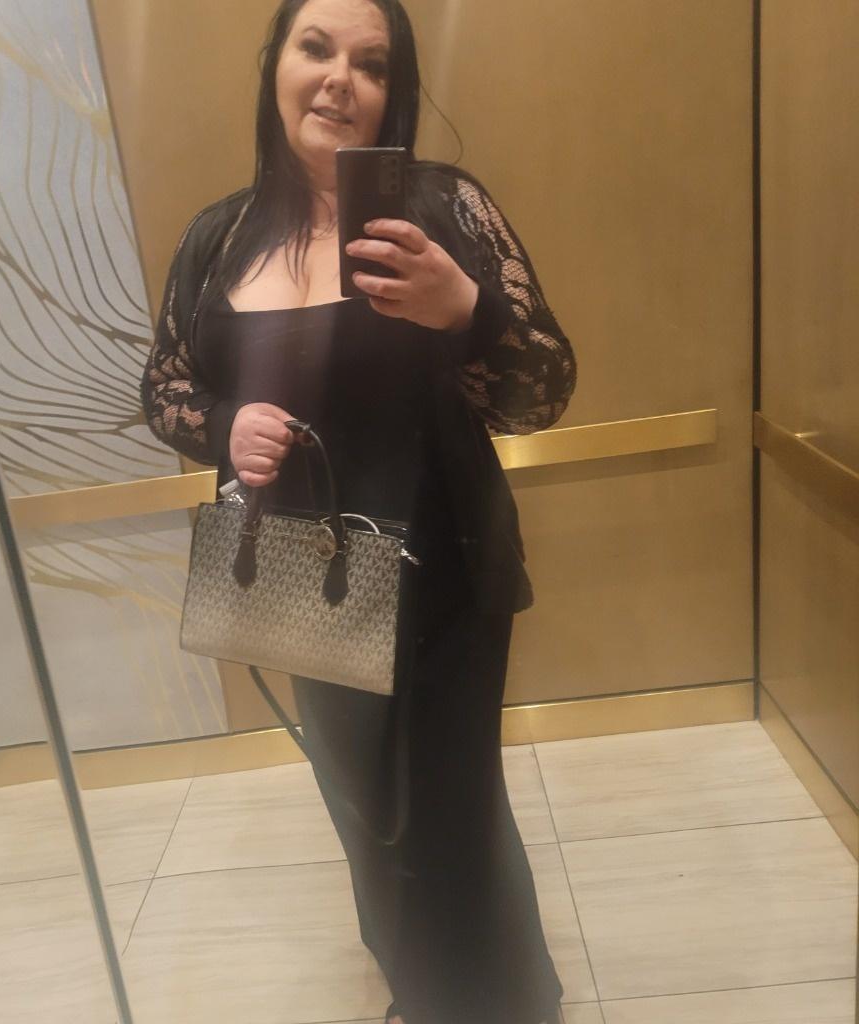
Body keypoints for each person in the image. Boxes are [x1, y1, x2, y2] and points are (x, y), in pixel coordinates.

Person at [141, 1, 576, 1021]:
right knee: (364, 813)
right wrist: (225, 424)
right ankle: (421, 991)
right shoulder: (218, 238)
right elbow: (164, 387)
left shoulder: (443, 209)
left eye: (371, 64)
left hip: (444, 575)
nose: (340, 78)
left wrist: (465, 311)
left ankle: (502, 1004)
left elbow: (542, 390)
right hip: (306, 578)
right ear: (276, 65)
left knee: (451, 816)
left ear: (395, 92)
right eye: (316, 48)